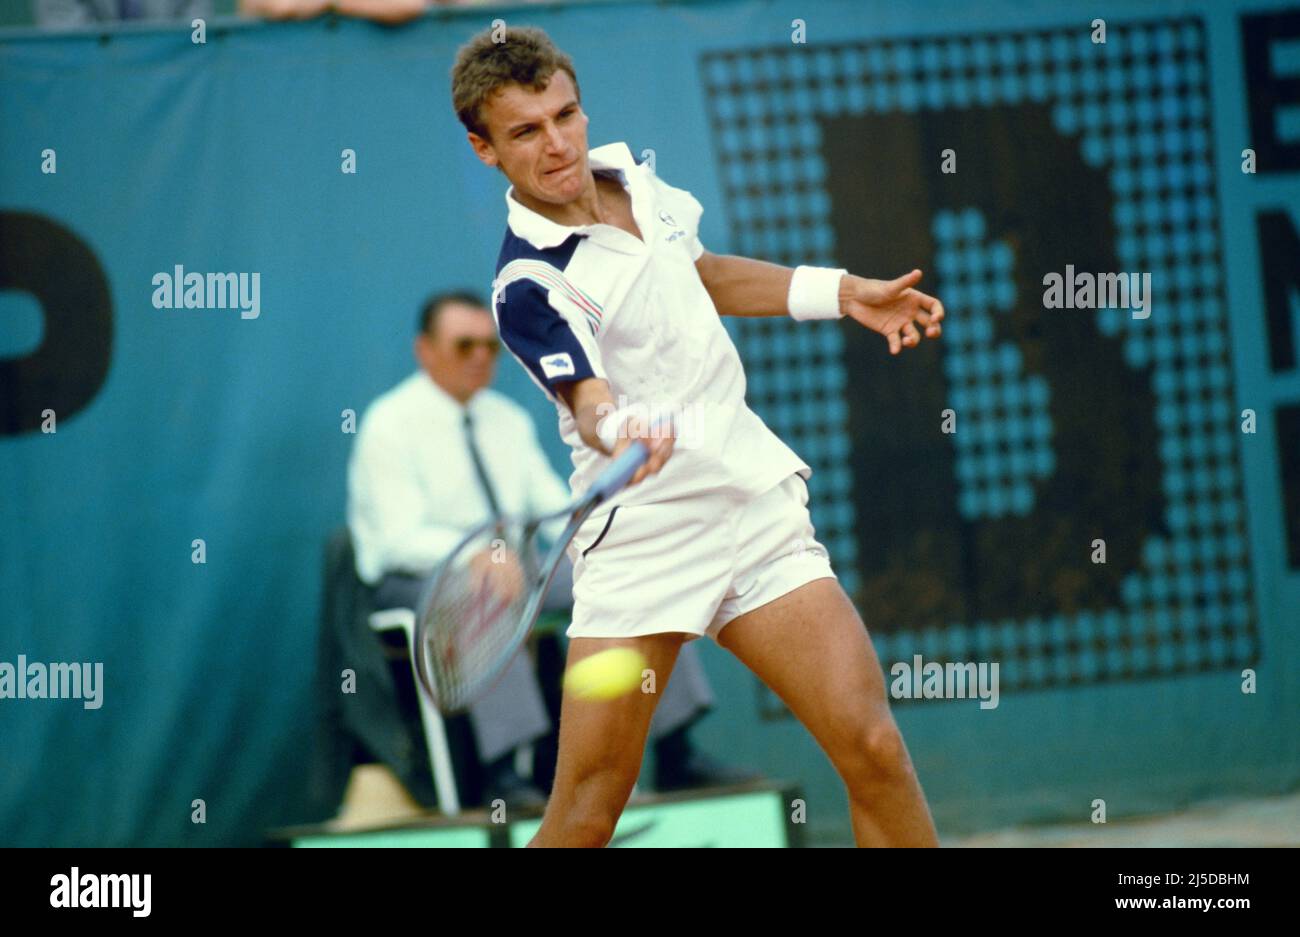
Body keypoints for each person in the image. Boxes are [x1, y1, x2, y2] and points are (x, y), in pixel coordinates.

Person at [452, 25, 946, 847]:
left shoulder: (634, 181)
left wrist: (843, 291)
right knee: (586, 812)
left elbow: (702, 273)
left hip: (751, 504)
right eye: (526, 132)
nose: (558, 142)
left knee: (873, 746)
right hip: (642, 541)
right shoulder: (527, 283)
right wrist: (623, 427)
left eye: (565, 114)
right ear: (484, 149)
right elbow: (587, 400)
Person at [347, 290, 753, 807]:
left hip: (516, 563)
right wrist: (477, 556)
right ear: (425, 351)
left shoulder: (507, 420)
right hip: (419, 579)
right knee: (485, 589)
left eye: (490, 348)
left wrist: (608, 522)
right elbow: (395, 540)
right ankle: (506, 775)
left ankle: (676, 749)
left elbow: (555, 505)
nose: (479, 358)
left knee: (630, 576)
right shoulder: (389, 424)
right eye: (463, 345)